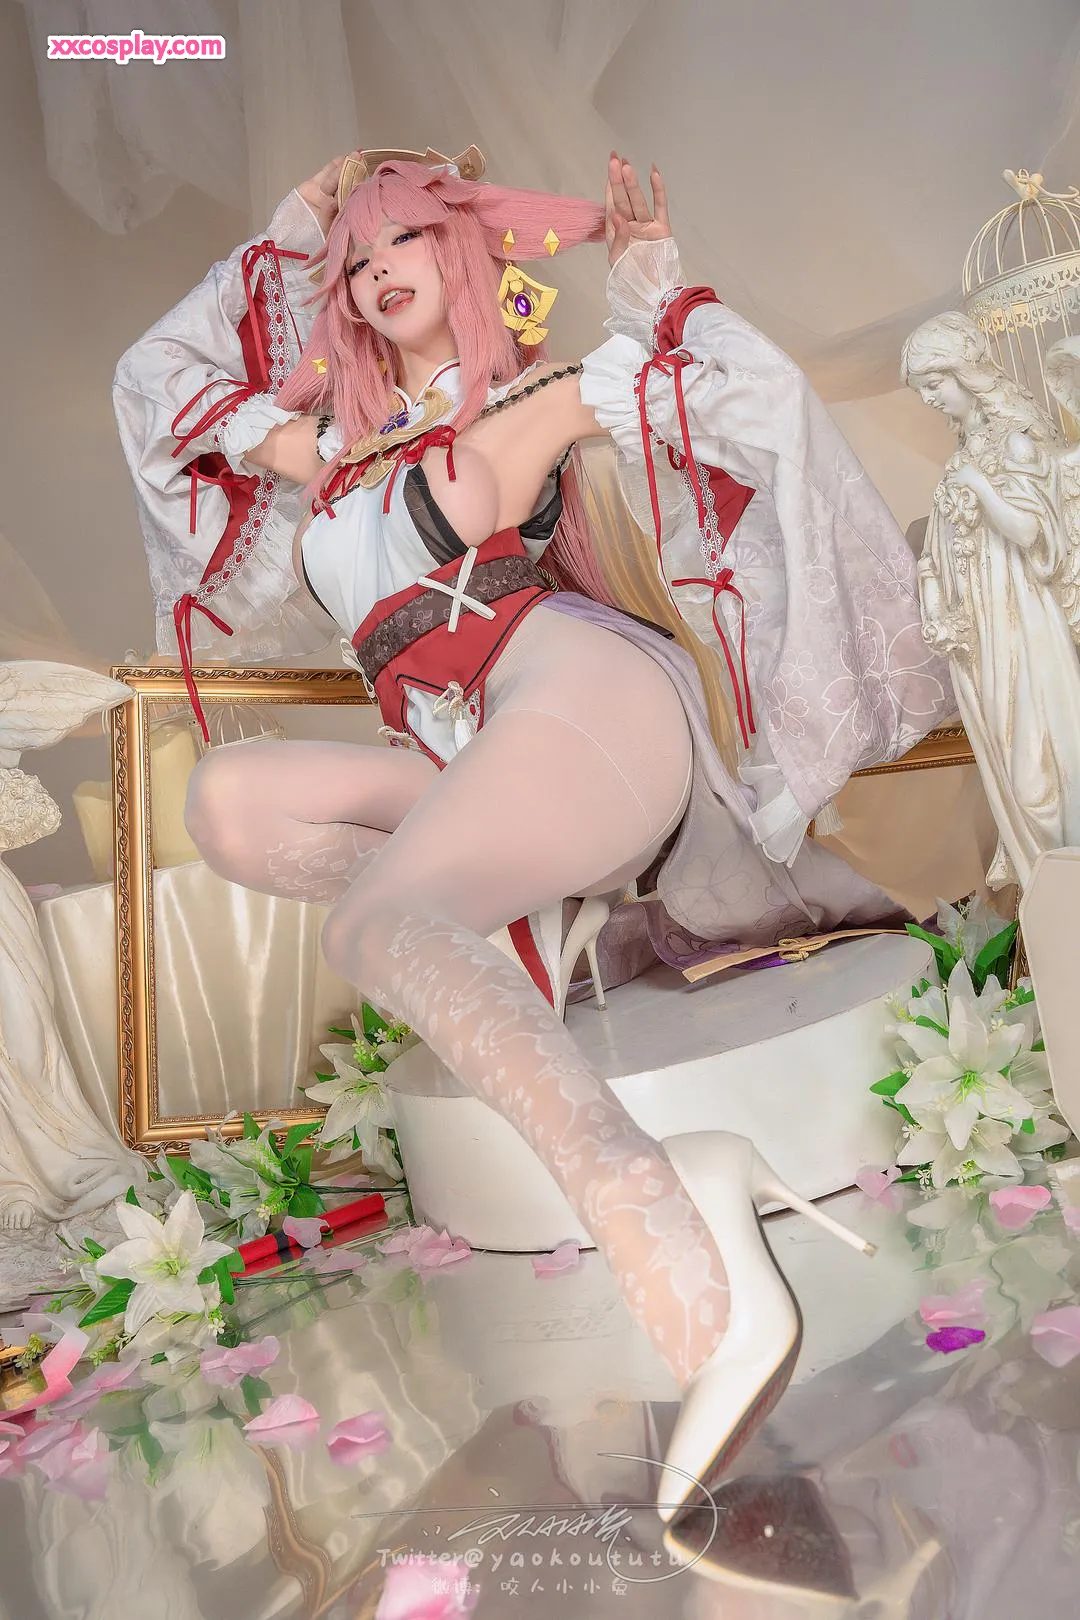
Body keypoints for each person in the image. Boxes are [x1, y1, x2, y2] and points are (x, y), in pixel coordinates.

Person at [113, 145, 949, 1544]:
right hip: (469, 752)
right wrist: (295, 217)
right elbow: (153, 383)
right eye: (355, 259)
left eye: (402, 241)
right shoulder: (328, 453)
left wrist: (650, 279)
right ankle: (519, 925)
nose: (375, 273)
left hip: (584, 700)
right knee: (229, 805)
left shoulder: (535, 400)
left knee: (375, 925)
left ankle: (661, 1212)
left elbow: (736, 399)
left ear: (462, 254)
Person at [903, 312, 1080, 890]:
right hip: (983, 628)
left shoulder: (1016, 441)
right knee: (1007, 755)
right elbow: (940, 548)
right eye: (922, 388)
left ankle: (1064, 874)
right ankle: (1050, 892)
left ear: (966, 372)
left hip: (1026, 619)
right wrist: (935, 595)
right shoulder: (962, 453)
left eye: (935, 383)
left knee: (1040, 763)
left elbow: (1032, 532)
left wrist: (980, 487)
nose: (929, 398)